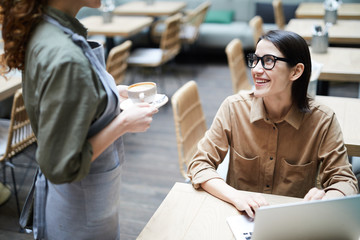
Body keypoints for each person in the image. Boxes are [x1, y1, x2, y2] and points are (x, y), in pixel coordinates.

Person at [0, 0, 158, 239]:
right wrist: (124, 123)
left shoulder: (47, 30)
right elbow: (62, 165)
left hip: (81, 202)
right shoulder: (66, 57)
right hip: (80, 215)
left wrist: (111, 93)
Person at [187, 30, 358, 219]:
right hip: (241, 217)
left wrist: (327, 197)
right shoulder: (234, 108)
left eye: (269, 61)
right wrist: (236, 196)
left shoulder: (322, 120)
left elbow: (345, 181)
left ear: (296, 71)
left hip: (293, 221)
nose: (256, 70)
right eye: (256, 59)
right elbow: (199, 164)